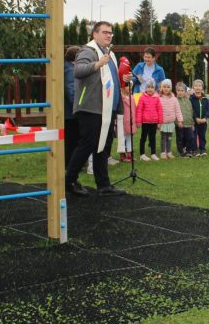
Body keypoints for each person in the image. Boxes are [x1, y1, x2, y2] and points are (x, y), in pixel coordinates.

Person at [66, 21, 126, 196]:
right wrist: (98, 64)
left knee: (104, 147)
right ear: (95, 34)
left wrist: (124, 78)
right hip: (92, 108)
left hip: (108, 108)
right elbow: (78, 70)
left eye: (110, 33)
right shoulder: (88, 51)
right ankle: (69, 180)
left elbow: (113, 80)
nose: (109, 35)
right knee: (88, 144)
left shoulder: (109, 54)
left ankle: (103, 185)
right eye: (105, 32)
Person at [63, 46, 84, 189]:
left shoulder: (67, 67)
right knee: (73, 140)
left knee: (72, 139)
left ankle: (69, 164)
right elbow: (72, 90)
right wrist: (79, 107)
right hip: (72, 112)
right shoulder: (70, 70)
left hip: (69, 111)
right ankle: (71, 165)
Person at [136, 79, 163, 161]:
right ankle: (142, 154)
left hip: (154, 122)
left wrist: (159, 122)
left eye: (152, 87)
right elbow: (139, 110)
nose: (150, 89)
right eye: (148, 87)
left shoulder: (157, 97)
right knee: (143, 138)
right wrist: (138, 121)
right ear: (146, 88)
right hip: (145, 122)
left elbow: (160, 110)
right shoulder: (142, 97)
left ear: (154, 88)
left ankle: (153, 153)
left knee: (152, 138)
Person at [158, 79, 183, 159]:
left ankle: (169, 152)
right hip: (162, 122)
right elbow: (157, 110)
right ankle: (163, 152)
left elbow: (177, 110)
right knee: (163, 138)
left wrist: (179, 120)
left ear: (171, 88)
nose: (166, 88)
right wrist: (158, 122)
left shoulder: (174, 99)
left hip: (171, 122)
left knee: (169, 138)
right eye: (164, 87)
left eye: (168, 87)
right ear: (161, 88)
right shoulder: (159, 98)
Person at [190, 80, 209, 156]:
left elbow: (208, 109)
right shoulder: (191, 98)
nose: (197, 87)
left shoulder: (205, 98)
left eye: (199, 86)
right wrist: (196, 118)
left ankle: (202, 149)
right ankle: (194, 150)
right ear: (193, 87)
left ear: (202, 88)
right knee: (194, 136)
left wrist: (205, 118)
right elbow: (191, 110)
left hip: (203, 121)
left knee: (202, 136)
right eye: (196, 86)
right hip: (195, 122)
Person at [175, 81, 194, 157]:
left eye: (182, 90)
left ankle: (188, 150)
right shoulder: (175, 100)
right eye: (178, 90)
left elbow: (190, 112)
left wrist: (192, 123)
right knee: (180, 138)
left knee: (190, 137)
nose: (180, 92)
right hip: (180, 123)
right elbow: (175, 112)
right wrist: (178, 122)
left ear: (185, 91)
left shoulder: (188, 101)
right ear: (176, 91)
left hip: (188, 123)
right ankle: (181, 151)